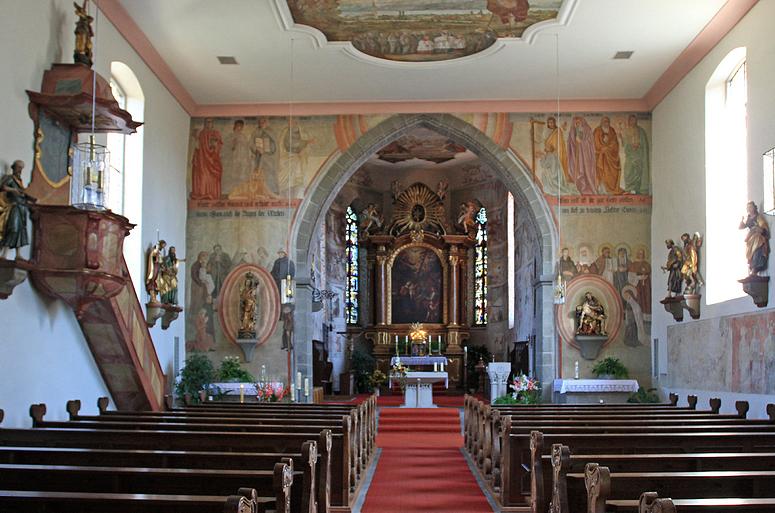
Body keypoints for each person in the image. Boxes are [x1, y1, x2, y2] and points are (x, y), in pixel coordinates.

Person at [0, 160, 36, 260]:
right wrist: (14, 190)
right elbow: (3, 187)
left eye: (21, 168)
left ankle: (18, 254)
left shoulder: (20, 181)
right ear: (13, 167)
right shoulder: (10, 178)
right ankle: (4, 253)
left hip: (22, 207)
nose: (20, 170)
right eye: (18, 167)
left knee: (21, 230)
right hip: (14, 207)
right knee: (12, 228)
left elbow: (23, 193)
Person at [539, 117, 577, 195]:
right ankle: (556, 186)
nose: (550, 124)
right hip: (551, 154)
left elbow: (560, 143)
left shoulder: (557, 131)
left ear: (555, 122)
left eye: (552, 122)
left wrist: (552, 151)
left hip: (557, 153)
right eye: (549, 123)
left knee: (556, 170)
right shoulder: (550, 132)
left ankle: (559, 185)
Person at [190, 118, 223, 200]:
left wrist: (214, 146)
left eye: (210, 122)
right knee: (203, 176)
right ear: (204, 123)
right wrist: (196, 138)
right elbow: (198, 147)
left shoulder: (216, 133)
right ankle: (203, 194)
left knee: (213, 176)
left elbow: (219, 145)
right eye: (207, 122)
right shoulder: (201, 133)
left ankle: (213, 195)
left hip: (212, 160)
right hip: (203, 160)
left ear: (212, 123)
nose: (209, 124)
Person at [567, 116, 598, 195]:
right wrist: (574, 139)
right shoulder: (573, 130)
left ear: (582, 122)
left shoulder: (587, 130)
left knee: (586, 171)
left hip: (586, 155)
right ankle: (580, 187)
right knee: (579, 171)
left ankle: (588, 188)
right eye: (576, 123)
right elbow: (570, 143)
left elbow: (590, 142)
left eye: (579, 122)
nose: (577, 124)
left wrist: (582, 142)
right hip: (577, 155)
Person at [620, 115, 650, 194]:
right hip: (630, 154)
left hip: (638, 154)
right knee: (628, 171)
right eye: (630, 120)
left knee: (638, 172)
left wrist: (638, 145)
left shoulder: (641, 131)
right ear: (628, 121)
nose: (632, 122)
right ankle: (628, 189)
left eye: (634, 120)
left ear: (636, 121)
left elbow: (644, 143)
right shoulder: (626, 131)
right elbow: (624, 144)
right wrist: (621, 138)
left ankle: (637, 189)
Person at [593, 116, 624, 194]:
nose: (606, 123)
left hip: (611, 156)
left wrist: (608, 148)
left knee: (615, 170)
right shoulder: (597, 131)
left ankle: (612, 189)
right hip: (601, 156)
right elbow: (595, 144)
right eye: (605, 121)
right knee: (602, 172)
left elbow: (615, 143)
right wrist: (603, 149)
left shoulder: (612, 130)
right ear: (602, 122)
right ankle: (603, 189)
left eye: (607, 122)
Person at [739, 201, 770, 276]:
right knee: (750, 252)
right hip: (750, 237)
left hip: (757, 235)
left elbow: (763, 227)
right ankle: (752, 266)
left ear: (754, 208)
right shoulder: (748, 218)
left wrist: (760, 229)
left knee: (757, 245)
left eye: (750, 207)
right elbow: (740, 227)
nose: (749, 209)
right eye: (748, 208)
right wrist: (742, 220)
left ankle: (755, 267)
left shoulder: (758, 217)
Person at [73, 1, 94, 66]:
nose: (90, 21)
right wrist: (85, 2)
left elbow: (90, 34)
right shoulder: (83, 19)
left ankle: (85, 55)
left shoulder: (87, 25)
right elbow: (82, 11)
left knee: (87, 45)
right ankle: (79, 53)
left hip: (85, 34)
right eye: (89, 20)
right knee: (80, 44)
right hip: (81, 32)